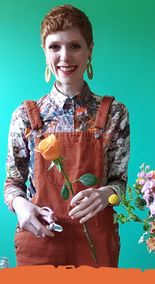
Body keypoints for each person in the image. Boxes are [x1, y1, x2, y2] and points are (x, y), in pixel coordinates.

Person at [4, 4, 130, 267]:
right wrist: (21, 206)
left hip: (96, 246)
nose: (65, 56)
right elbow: (12, 183)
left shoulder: (114, 113)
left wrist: (105, 194)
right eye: (55, 47)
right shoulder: (26, 116)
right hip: (41, 241)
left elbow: (120, 182)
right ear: (44, 51)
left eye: (74, 46)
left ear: (89, 50)